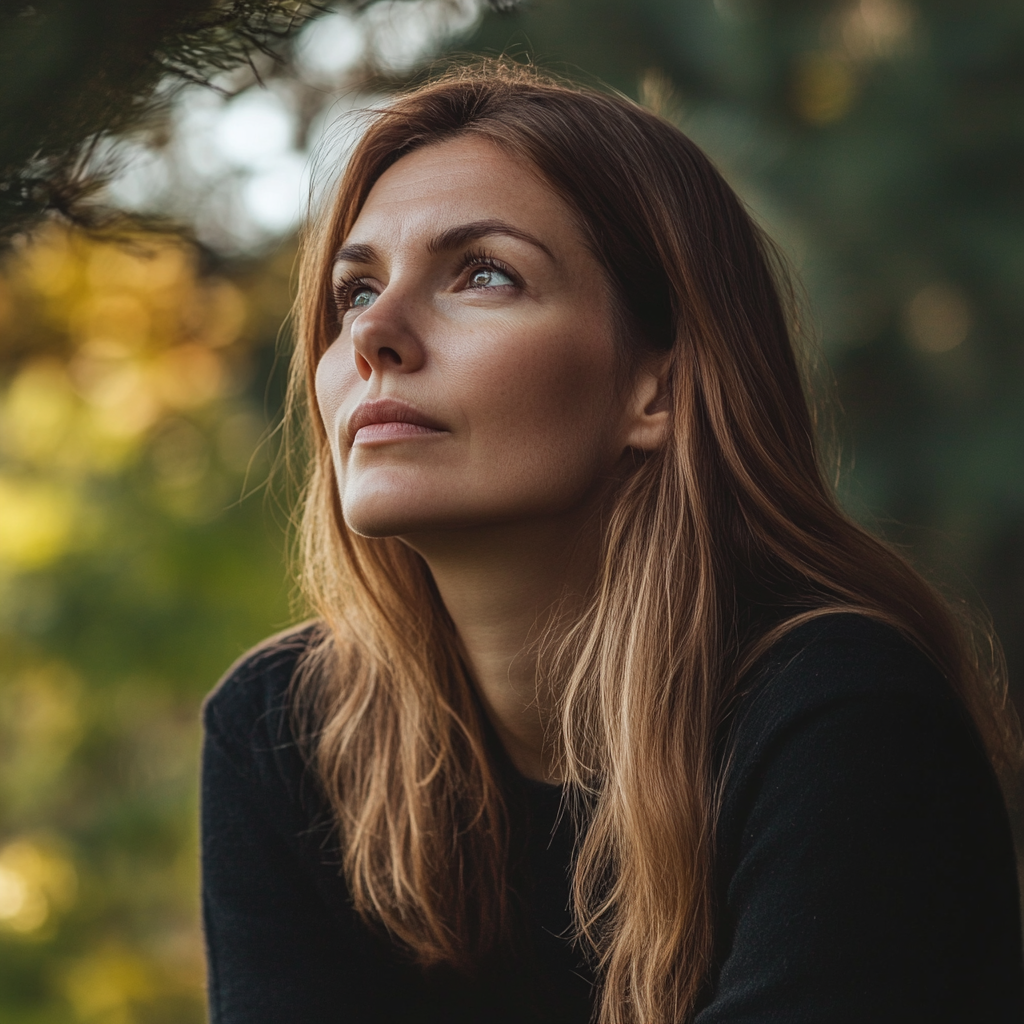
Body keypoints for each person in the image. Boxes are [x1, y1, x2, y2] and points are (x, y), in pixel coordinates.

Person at [200, 62, 1023, 1024]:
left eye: (485, 274)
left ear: (660, 389)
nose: (374, 333)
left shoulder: (841, 720)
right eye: (352, 291)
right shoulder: (287, 735)